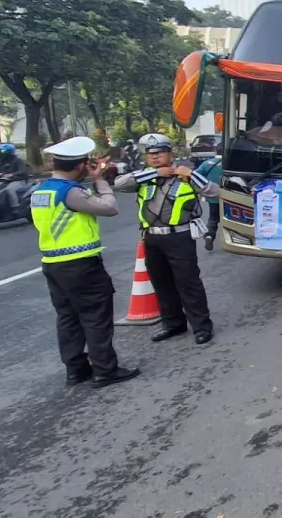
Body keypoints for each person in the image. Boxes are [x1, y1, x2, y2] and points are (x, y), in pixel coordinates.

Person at [32, 137, 139, 388]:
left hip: (52, 264)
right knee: (95, 317)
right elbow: (109, 208)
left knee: (67, 318)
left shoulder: (41, 191)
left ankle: (75, 370)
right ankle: (105, 370)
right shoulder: (69, 192)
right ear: (81, 166)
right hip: (80, 265)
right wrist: (100, 180)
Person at [115, 133, 219, 345]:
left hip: (179, 237)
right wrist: (154, 173)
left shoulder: (184, 175)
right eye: (150, 154)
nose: (155, 157)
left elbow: (213, 191)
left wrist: (190, 175)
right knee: (161, 283)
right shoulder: (145, 176)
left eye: (160, 152)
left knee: (189, 283)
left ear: (170, 154)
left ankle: (201, 326)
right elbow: (120, 184)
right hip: (152, 238)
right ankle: (173, 324)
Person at [194, 145, 224, 251]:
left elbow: (195, 176)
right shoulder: (230, 164)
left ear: (216, 151)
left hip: (212, 197)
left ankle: (209, 235)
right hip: (230, 196)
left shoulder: (206, 163)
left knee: (213, 218)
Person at [0, 142, 30, 210]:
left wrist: (12, 174)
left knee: (9, 189)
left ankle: (15, 206)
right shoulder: (0, 162)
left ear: (8, 152)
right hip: (3, 181)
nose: (0, 153)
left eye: (2, 151)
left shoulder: (18, 161)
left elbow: (23, 171)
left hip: (18, 180)